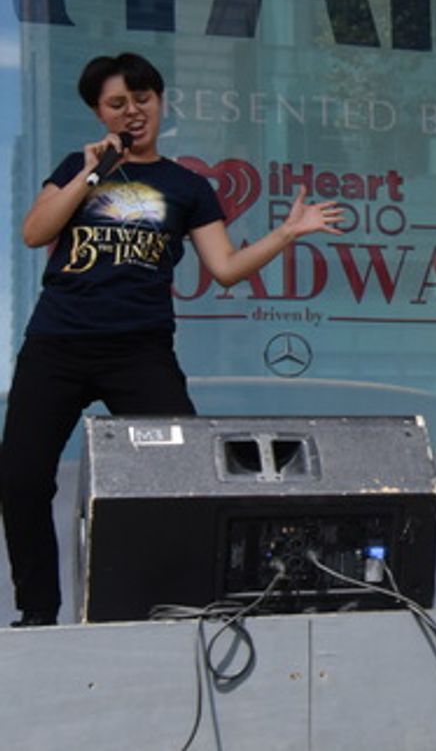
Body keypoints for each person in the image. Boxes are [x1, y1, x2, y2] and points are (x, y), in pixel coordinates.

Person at [0, 52, 344, 626]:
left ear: (160, 103)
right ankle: (38, 611)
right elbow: (36, 232)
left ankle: (171, 603)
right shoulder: (78, 168)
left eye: (143, 100)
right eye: (117, 104)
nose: (132, 112)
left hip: (138, 349)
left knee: (185, 473)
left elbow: (226, 267)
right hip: (57, 343)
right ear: (99, 113)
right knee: (20, 479)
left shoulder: (187, 186)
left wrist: (287, 233)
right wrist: (91, 174)